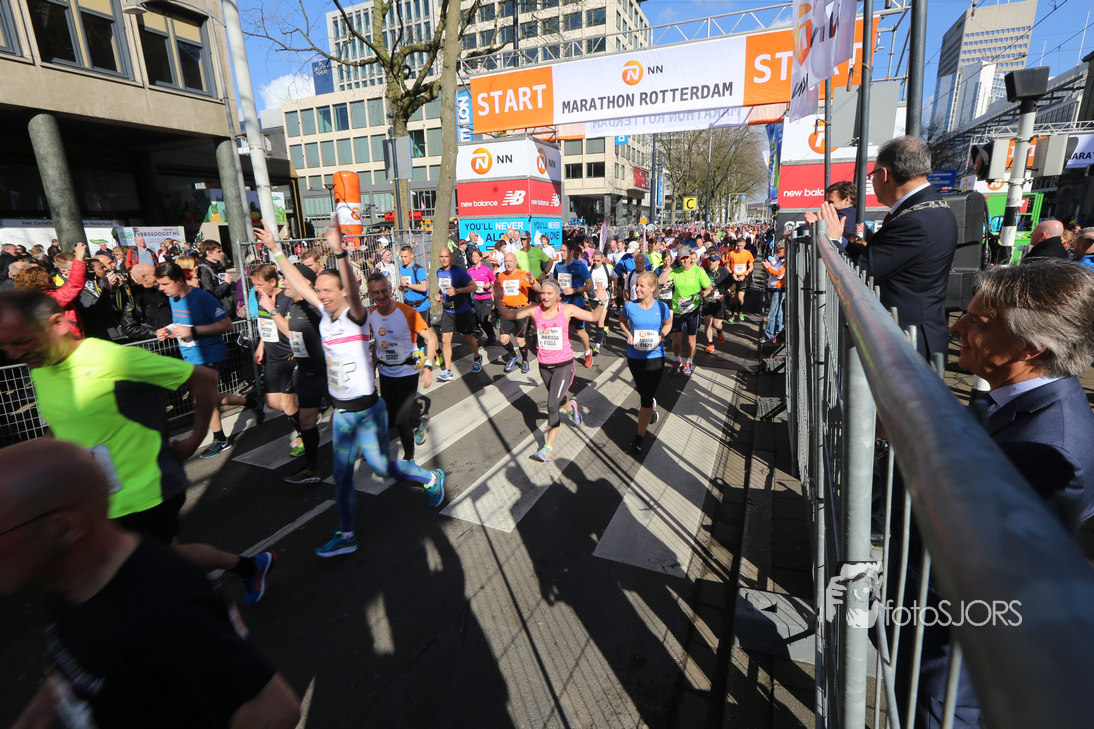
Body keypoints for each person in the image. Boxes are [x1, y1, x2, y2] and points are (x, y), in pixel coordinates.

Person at [893, 259, 1094, 729]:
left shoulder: (1048, 448)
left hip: (956, 664)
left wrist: (903, 444)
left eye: (979, 321)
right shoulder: (1035, 404)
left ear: (1031, 347)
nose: (956, 327)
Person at [0, 289, 275, 607]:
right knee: (157, 562)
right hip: (94, 498)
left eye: (22, 341)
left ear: (58, 323)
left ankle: (209, 610)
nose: (13, 353)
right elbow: (61, 426)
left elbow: (203, 378)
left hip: (145, 494)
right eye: (6, 345)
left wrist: (196, 437)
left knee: (146, 571)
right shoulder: (40, 366)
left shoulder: (110, 358)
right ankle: (245, 570)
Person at [0, 440, 301, 729]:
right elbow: (70, 665)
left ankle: (250, 567)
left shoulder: (164, 605)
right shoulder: (63, 576)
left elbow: (274, 712)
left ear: (64, 528)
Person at [255, 221, 444, 558]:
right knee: (341, 478)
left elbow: (355, 292)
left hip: (367, 411)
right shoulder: (324, 315)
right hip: (342, 414)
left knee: (382, 468)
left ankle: (430, 479)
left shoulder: (356, 316)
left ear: (343, 291)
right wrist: (274, 249)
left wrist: (340, 251)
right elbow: (299, 282)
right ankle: (347, 535)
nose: (322, 294)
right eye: (319, 290)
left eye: (329, 289)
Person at [817, 135, 957, 361]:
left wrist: (832, 241)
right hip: (907, 334)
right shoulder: (926, 209)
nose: (871, 181)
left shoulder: (916, 220)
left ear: (884, 175)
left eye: (871, 175)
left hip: (907, 343)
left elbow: (861, 273)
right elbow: (877, 258)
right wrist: (842, 241)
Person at [154, 262, 261, 458]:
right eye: (159, 284)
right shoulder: (173, 297)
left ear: (179, 281)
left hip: (210, 355)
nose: (161, 288)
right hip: (190, 355)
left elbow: (227, 325)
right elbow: (180, 323)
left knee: (201, 399)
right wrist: (167, 330)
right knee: (208, 398)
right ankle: (251, 402)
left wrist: (193, 331)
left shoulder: (202, 298)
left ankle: (220, 439)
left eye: (165, 284)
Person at [494, 277, 608, 462]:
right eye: (543, 293)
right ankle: (571, 408)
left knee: (552, 404)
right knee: (559, 399)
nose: (545, 297)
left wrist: (602, 302)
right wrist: (498, 299)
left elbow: (594, 317)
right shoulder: (534, 310)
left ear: (557, 294)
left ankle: (548, 449)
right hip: (544, 365)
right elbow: (508, 315)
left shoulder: (567, 309)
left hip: (564, 365)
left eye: (549, 293)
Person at [263, 263, 328, 485]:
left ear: (305, 283)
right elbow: (290, 331)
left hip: (327, 374)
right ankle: (311, 468)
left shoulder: (316, 307)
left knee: (352, 418)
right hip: (306, 373)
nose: (283, 282)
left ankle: (375, 450)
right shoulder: (295, 305)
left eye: (288, 278)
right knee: (306, 421)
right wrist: (272, 310)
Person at [367, 271, 439, 461]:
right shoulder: (371, 314)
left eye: (384, 291)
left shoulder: (407, 312)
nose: (381, 296)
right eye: (376, 293)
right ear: (370, 294)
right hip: (386, 372)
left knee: (400, 420)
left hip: (407, 372)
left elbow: (432, 338)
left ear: (391, 290)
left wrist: (428, 367)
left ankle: (409, 458)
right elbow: (377, 344)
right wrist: (371, 370)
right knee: (391, 416)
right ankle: (419, 422)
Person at [251, 263, 302, 457]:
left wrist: (273, 309)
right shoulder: (262, 297)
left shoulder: (287, 298)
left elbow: (289, 331)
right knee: (273, 403)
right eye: (254, 284)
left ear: (273, 282)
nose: (256, 288)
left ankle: (303, 434)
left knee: (287, 405)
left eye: (259, 284)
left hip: (289, 356)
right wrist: (261, 346)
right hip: (271, 358)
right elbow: (266, 325)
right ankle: (305, 417)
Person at [619, 271, 672, 454]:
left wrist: (661, 336)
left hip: (655, 356)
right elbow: (622, 321)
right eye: (636, 285)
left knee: (645, 398)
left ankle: (639, 436)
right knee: (642, 391)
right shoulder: (629, 306)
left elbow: (668, 324)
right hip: (634, 357)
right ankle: (650, 405)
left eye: (642, 286)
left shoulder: (662, 307)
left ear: (652, 288)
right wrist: (629, 334)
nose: (637, 288)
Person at [658, 247, 713, 376]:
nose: (685, 260)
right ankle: (677, 360)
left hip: (693, 310)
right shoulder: (675, 272)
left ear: (690, 257)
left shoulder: (698, 271)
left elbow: (710, 289)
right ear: (678, 260)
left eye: (687, 257)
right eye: (682, 259)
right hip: (678, 310)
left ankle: (689, 361)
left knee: (690, 340)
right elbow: (660, 281)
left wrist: (701, 294)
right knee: (676, 340)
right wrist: (671, 267)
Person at [434, 246, 482, 381]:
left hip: (461, 310)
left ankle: (477, 357)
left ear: (451, 257)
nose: (444, 259)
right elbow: (443, 287)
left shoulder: (459, 272)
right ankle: (447, 370)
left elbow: (473, 286)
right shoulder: (439, 272)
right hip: (448, 311)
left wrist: (458, 291)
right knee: (445, 340)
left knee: (468, 337)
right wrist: (439, 294)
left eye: (446, 256)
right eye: (441, 257)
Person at [495, 251, 540, 374]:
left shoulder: (523, 274)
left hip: (521, 311)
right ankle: (513, 355)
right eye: (506, 261)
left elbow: (539, 288)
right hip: (507, 310)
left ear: (515, 262)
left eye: (511, 261)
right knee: (504, 340)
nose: (508, 263)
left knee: (520, 340)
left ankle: (525, 360)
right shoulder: (501, 276)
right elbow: (498, 292)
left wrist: (532, 282)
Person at [554, 238, 596, 368]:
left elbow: (590, 285)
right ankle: (564, 356)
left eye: (564, 251)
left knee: (580, 332)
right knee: (562, 332)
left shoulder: (580, 266)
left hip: (577, 304)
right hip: (562, 305)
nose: (561, 253)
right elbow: (555, 284)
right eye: (561, 250)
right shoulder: (558, 266)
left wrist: (575, 290)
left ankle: (587, 352)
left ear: (571, 252)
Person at [120, 263, 173, 340]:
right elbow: (128, 328)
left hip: (173, 339)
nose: (158, 276)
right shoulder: (132, 298)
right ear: (144, 277)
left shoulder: (163, 291)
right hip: (154, 344)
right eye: (155, 274)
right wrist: (155, 333)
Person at [467, 247, 497, 346]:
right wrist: (471, 282)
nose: (474, 258)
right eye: (473, 256)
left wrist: (489, 284)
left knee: (484, 318)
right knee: (480, 320)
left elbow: (494, 281)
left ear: (480, 258)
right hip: (477, 297)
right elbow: (467, 283)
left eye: (476, 256)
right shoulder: (470, 271)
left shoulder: (486, 269)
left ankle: (492, 336)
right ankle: (490, 335)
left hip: (487, 297)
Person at [198, 241, 237, 316]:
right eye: (218, 252)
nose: (222, 254)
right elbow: (211, 293)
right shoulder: (204, 269)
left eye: (221, 251)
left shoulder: (218, 265)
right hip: (216, 311)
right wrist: (226, 283)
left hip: (227, 307)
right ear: (208, 253)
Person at [701, 254, 730, 353]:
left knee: (716, 324)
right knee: (707, 323)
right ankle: (710, 344)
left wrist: (725, 294)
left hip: (719, 301)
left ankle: (719, 330)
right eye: (709, 260)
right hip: (707, 301)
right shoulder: (704, 272)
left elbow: (733, 284)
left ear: (718, 262)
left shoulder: (724, 271)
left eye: (713, 261)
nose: (711, 262)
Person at [762, 241, 788, 344]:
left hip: (779, 288)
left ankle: (770, 335)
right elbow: (775, 265)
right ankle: (777, 332)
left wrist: (768, 267)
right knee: (778, 311)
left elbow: (779, 274)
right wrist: (769, 265)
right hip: (775, 288)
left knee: (773, 312)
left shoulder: (785, 260)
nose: (779, 254)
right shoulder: (781, 259)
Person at [724, 238, 754, 322]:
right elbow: (727, 265)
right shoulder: (732, 253)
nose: (739, 247)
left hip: (742, 277)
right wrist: (732, 274)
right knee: (732, 298)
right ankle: (732, 314)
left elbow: (751, 266)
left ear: (744, 245)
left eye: (741, 246)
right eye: (738, 246)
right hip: (733, 277)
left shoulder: (748, 254)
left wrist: (745, 275)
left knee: (740, 298)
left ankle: (740, 311)